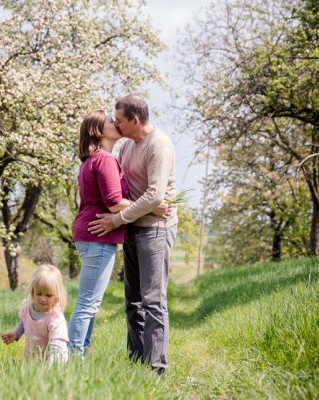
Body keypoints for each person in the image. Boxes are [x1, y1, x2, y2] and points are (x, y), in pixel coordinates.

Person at [68, 109, 170, 358]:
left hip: (91, 235)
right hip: (97, 236)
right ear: (99, 132)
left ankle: (79, 354)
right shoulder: (104, 159)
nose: (115, 123)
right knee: (87, 303)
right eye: (110, 122)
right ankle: (72, 358)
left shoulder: (94, 159)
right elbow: (114, 202)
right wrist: (154, 206)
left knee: (89, 302)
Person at [88, 95, 178, 375]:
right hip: (134, 227)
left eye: (119, 120)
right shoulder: (127, 146)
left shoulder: (158, 145)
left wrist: (116, 219)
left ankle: (156, 369)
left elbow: (154, 195)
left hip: (155, 229)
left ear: (135, 121)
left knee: (153, 301)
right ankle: (136, 362)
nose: (115, 124)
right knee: (133, 302)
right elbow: (125, 189)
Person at [0, 264, 69, 364]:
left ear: (57, 296)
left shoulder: (55, 318)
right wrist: (16, 333)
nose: (43, 299)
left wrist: (49, 370)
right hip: (31, 359)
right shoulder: (28, 308)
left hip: (53, 361)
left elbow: (57, 349)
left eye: (48, 295)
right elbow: (25, 322)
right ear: (32, 292)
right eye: (39, 293)